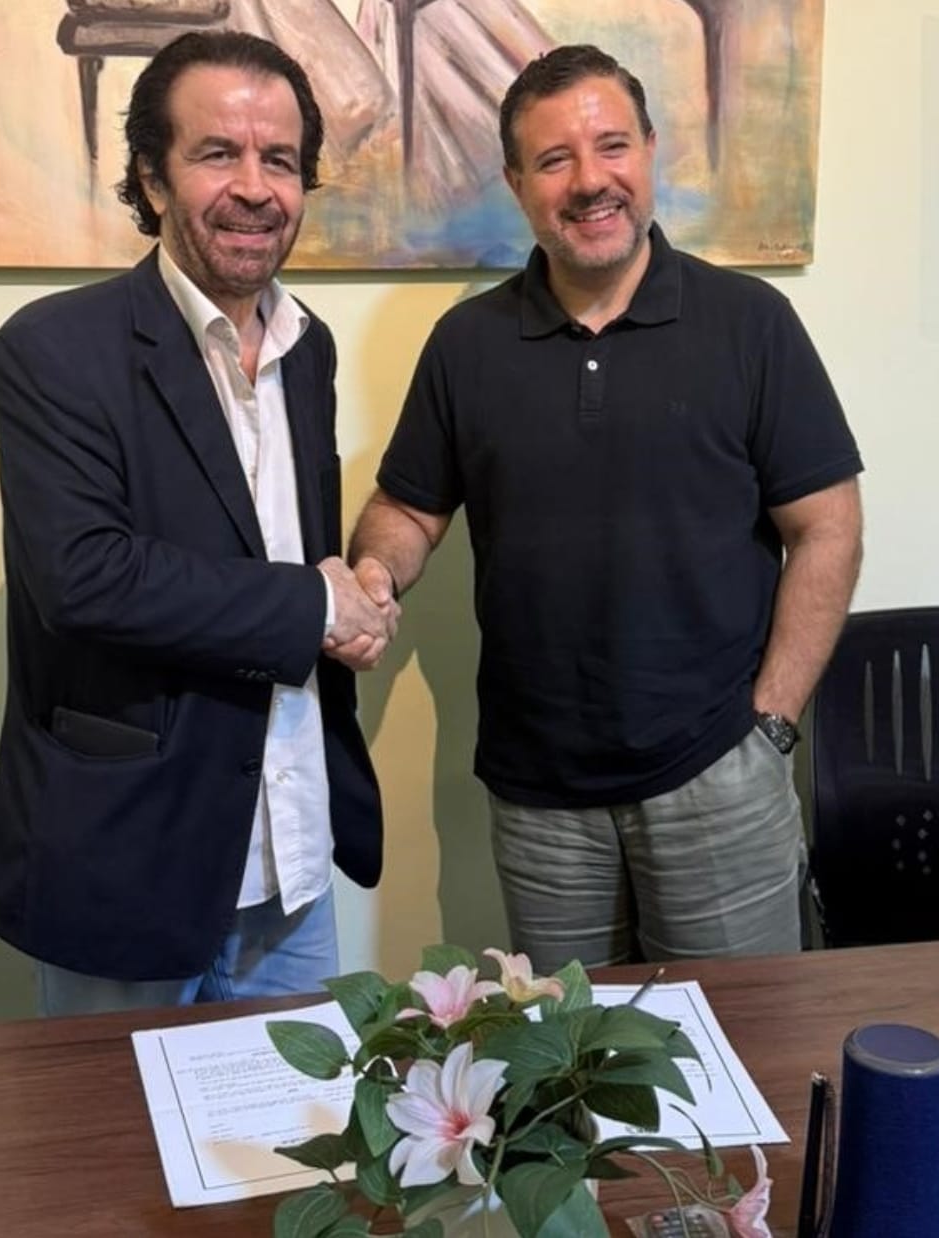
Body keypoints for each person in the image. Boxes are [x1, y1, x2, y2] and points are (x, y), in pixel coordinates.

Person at [341, 45, 863, 971]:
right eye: (554, 160)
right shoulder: (466, 343)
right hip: (540, 802)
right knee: (566, 1054)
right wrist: (376, 569)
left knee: (740, 1047)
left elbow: (827, 526)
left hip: (719, 778)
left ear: (650, 151)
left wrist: (772, 725)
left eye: (612, 146)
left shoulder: (750, 323)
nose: (590, 181)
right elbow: (409, 509)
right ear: (517, 184)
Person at [0, 31, 397, 1016]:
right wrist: (313, 605)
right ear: (152, 179)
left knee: (304, 1115)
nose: (255, 187)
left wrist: (352, 596)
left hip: (291, 861)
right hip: (128, 862)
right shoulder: (52, 349)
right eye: (218, 153)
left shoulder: (308, 347)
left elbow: (277, 549)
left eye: (280, 159)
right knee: (110, 1122)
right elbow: (84, 577)